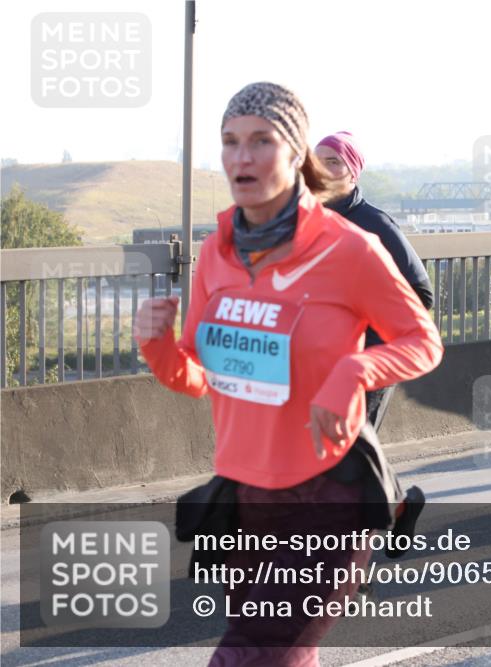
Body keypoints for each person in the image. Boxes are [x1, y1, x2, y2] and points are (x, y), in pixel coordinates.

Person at [134, 82, 443, 665]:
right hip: (244, 500)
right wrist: (157, 347)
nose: (241, 157)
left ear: (297, 154)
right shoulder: (217, 252)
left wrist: (354, 370)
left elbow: (423, 341)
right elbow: (199, 376)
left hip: (329, 496)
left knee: (246, 657)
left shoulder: (350, 247)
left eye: (261, 141)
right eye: (230, 142)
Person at [316, 131, 434, 432]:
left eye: (333, 162)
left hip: (366, 362)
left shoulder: (375, 224)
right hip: (317, 361)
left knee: (353, 445)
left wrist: (371, 339)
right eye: (315, 162)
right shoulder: (303, 222)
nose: (322, 170)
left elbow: (420, 291)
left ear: (353, 173)